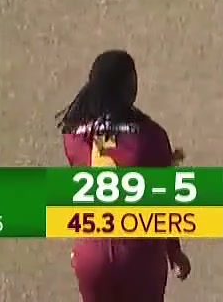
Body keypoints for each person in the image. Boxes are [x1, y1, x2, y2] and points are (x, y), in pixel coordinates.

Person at [58, 51, 192, 302]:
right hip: (138, 256)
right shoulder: (151, 136)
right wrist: (174, 251)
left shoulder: (73, 136)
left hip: (92, 257)